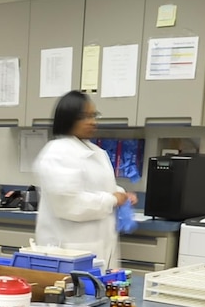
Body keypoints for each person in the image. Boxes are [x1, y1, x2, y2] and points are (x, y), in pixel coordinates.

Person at [31, 90, 133, 271]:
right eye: (85, 116)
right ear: (68, 118)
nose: (93, 121)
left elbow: (97, 184)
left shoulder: (95, 152)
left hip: (96, 250)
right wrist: (112, 199)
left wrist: (121, 194)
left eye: (94, 115)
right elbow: (69, 204)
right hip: (66, 253)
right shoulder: (57, 152)